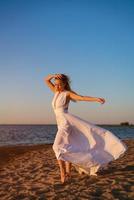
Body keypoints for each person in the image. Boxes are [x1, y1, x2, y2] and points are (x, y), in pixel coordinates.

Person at [44, 73, 127, 184]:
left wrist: (96, 99)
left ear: (64, 84)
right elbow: (46, 80)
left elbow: (82, 98)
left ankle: (63, 173)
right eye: (56, 84)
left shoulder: (67, 94)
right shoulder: (56, 91)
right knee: (69, 144)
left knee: (56, 147)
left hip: (66, 123)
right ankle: (68, 172)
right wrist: (54, 75)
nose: (57, 86)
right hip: (60, 123)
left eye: (59, 84)